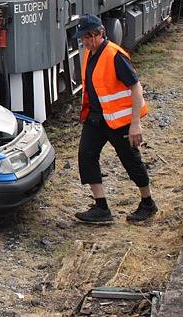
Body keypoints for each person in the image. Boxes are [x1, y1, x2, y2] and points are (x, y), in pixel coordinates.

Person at [73, 14, 158, 223]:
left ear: (98, 34)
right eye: (82, 38)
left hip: (118, 121)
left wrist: (135, 124)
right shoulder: (89, 53)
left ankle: (148, 202)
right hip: (96, 119)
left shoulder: (115, 55)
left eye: (86, 37)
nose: (83, 42)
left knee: (131, 160)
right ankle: (101, 207)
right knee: (86, 155)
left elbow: (136, 87)